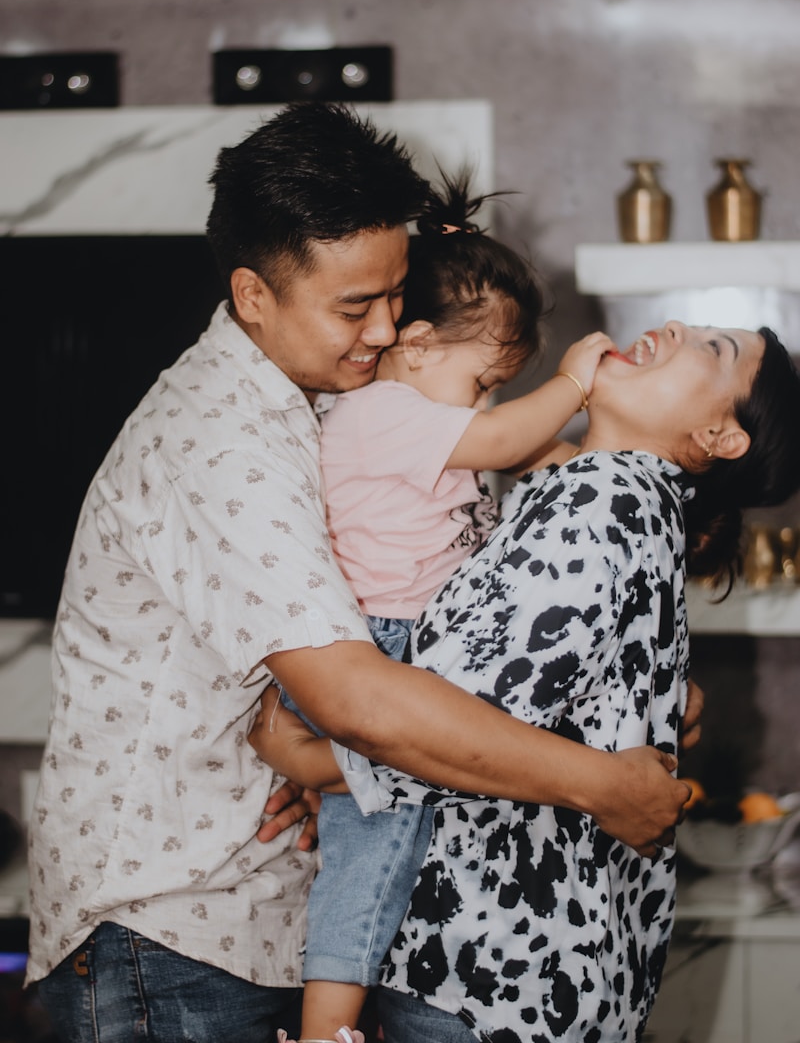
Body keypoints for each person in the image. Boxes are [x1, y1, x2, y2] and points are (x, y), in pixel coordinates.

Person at [26, 101, 690, 1043]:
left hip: (247, 914)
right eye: (353, 307)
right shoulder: (221, 440)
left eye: (395, 295)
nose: (387, 330)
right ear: (254, 295)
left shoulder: (329, 402)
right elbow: (361, 701)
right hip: (170, 935)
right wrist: (599, 783)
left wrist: (324, 767)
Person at [256, 319, 800, 1042]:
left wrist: (314, 762)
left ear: (719, 437)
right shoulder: (622, 499)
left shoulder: (600, 502)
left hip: (489, 966)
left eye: (712, 348)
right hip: (544, 975)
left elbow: (457, 717)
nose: (675, 329)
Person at [280, 172, 614, 1039]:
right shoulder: (382, 410)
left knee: (401, 837)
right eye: (484, 380)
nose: (489, 403)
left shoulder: (428, 413)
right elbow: (505, 440)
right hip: (381, 648)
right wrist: (574, 383)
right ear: (419, 345)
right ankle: (325, 1030)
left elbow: (517, 450)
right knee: (375, 849)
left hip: (415, 643)